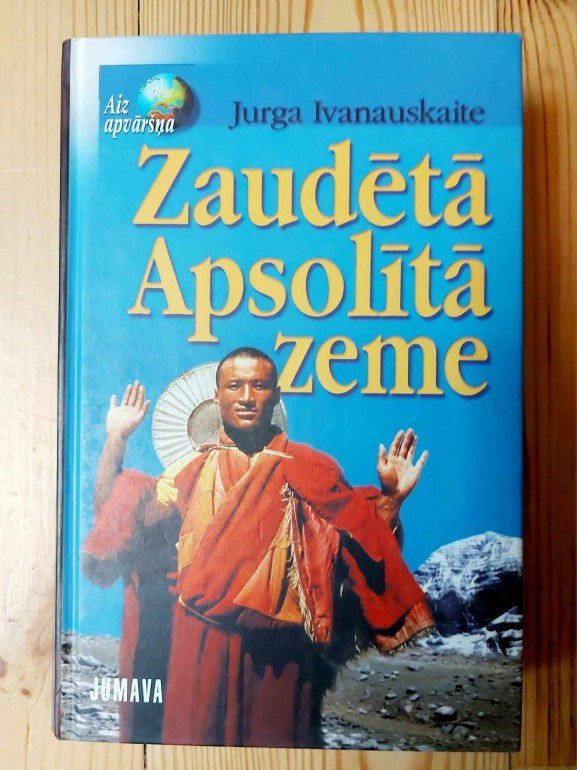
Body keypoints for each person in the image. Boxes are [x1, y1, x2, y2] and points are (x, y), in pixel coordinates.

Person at [83, 347, 434, 747]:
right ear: (217, 396)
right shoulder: (189, 471)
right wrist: (115, 439)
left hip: (280, 657)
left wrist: (391, 500)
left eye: (259, 385)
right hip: (198, 645)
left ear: (276, 395)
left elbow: (356, 546)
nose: (247, 396)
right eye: (235, 385)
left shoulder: (311, 468)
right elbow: (118, 520)